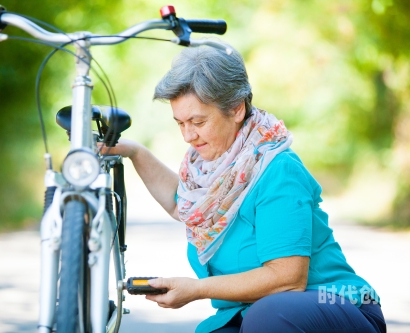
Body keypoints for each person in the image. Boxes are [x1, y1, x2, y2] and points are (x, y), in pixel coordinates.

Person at [106, 44, 387, 333]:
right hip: (254, 314)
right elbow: (181, 204)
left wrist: (197, 289)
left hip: (336, 302)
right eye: (180, 123)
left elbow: (287, 280)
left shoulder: (277, 169)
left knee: (269, 315)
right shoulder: (209, 173)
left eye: (198, 121)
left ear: (237, 109)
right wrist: (133, 151)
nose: (188, 135)